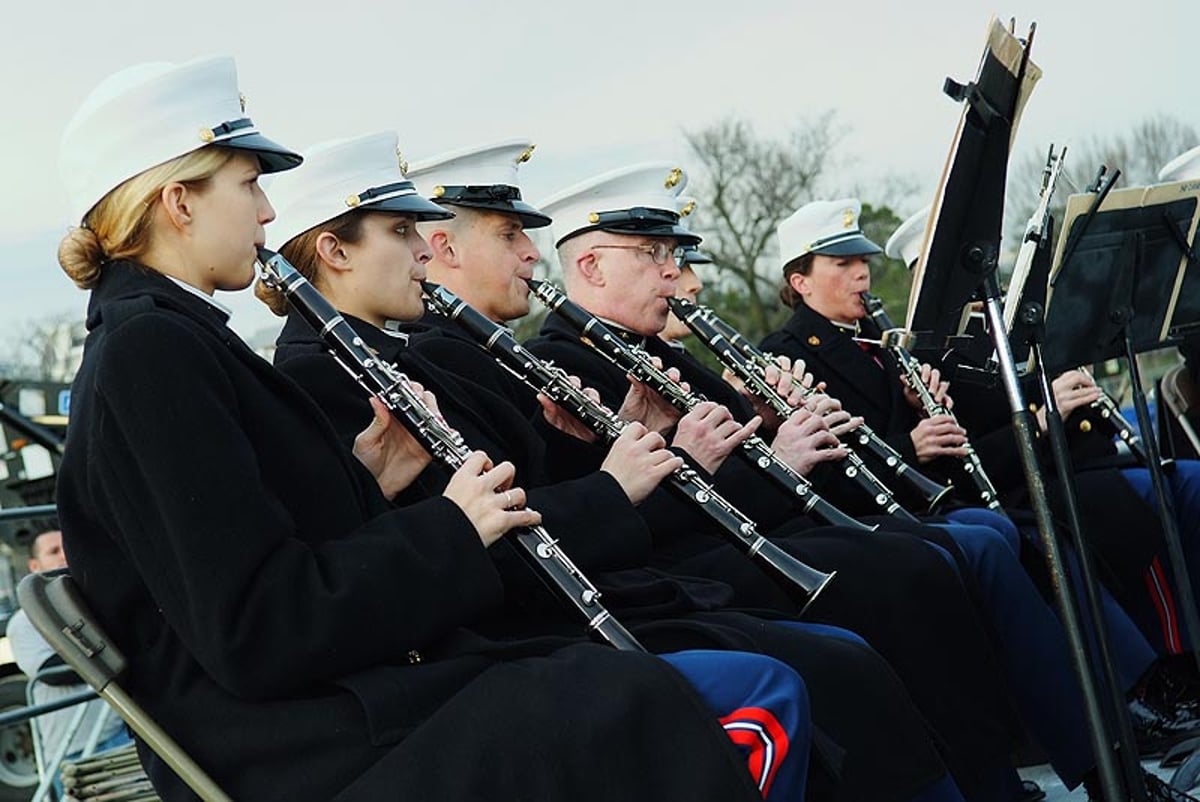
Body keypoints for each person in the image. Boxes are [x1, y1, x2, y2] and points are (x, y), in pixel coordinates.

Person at [50, 56, 816, 802]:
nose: (269, 212)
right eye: (248, 184)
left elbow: (262, 561)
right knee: (747, 697)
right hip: (318, 745)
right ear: (178, 202)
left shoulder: (167, 339)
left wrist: (365, 479)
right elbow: (259, 629)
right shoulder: (151, 351)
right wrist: (455, 523)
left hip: (341, 708)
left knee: (720, 675)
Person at [258, 132, 967, 802]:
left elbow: (529, 490)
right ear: (336, 252)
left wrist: (610, 446)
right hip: (539, 624)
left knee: (869, 629)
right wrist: (625, 476)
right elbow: (473, 539)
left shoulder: (427, 355)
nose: (534, 256)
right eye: (510, 236)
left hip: (600, 591)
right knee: (819, 662)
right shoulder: (336, 374)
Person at [760, 197, 1200, 799]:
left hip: (926, 507)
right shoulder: (786, 356)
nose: (861, 273)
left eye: (861, 259)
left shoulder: (879, 343)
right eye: (840, 263)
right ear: (799, 280)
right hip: (870, 520)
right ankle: (1102, 737)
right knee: (1011, 538)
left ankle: (1123, 712)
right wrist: (912, 441)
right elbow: (824, 467)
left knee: (1031, 534)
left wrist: (924, 412)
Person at [8, 525, 131, 797]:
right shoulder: (24, 621)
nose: (64, 555)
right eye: (53, 551)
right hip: (72, 749)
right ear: (34, 565)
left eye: (66, 546)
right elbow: (52, 671)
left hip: (120, 734)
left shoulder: (91, 602)